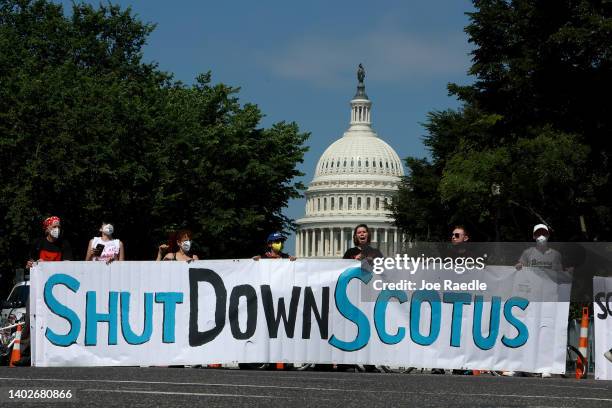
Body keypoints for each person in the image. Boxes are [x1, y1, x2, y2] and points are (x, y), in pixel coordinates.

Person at [505, 223, 563, 378]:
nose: (541, 236)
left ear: (548, 235)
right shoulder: (528, 252)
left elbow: (560, 273)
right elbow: (520, 268)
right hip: (529, 298)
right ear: (533, 236)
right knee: (525, 330)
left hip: (548, 299)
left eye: (544, 233)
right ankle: (518, 366)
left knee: (545, 331)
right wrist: (518, 266)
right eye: (538, 233)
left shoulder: (556, 254)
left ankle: (545, 367)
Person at [17, 216, 73, 366]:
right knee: (30, 318)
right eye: (54, 227)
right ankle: (25, 355)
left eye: (59, 227)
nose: (57, 230)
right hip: (37, 288)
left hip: (58, 290)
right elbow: (29, 262)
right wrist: (30, 264)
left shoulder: (64, 244)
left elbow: (67, 264)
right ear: (47, 228)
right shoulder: (38, 243)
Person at [341, 224, 382, 373]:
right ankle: (347, 362)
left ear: (368, 234)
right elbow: (341, 269)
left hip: (369, 292)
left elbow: (382, 269)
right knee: (350, 327)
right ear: (355, 236)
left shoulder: (375, 252)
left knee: (368, 328)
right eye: (359, 232)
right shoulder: (350, 252)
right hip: (352, 292)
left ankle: (369, 362)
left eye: (364, 232)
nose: (362, 234)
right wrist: (355, 260)